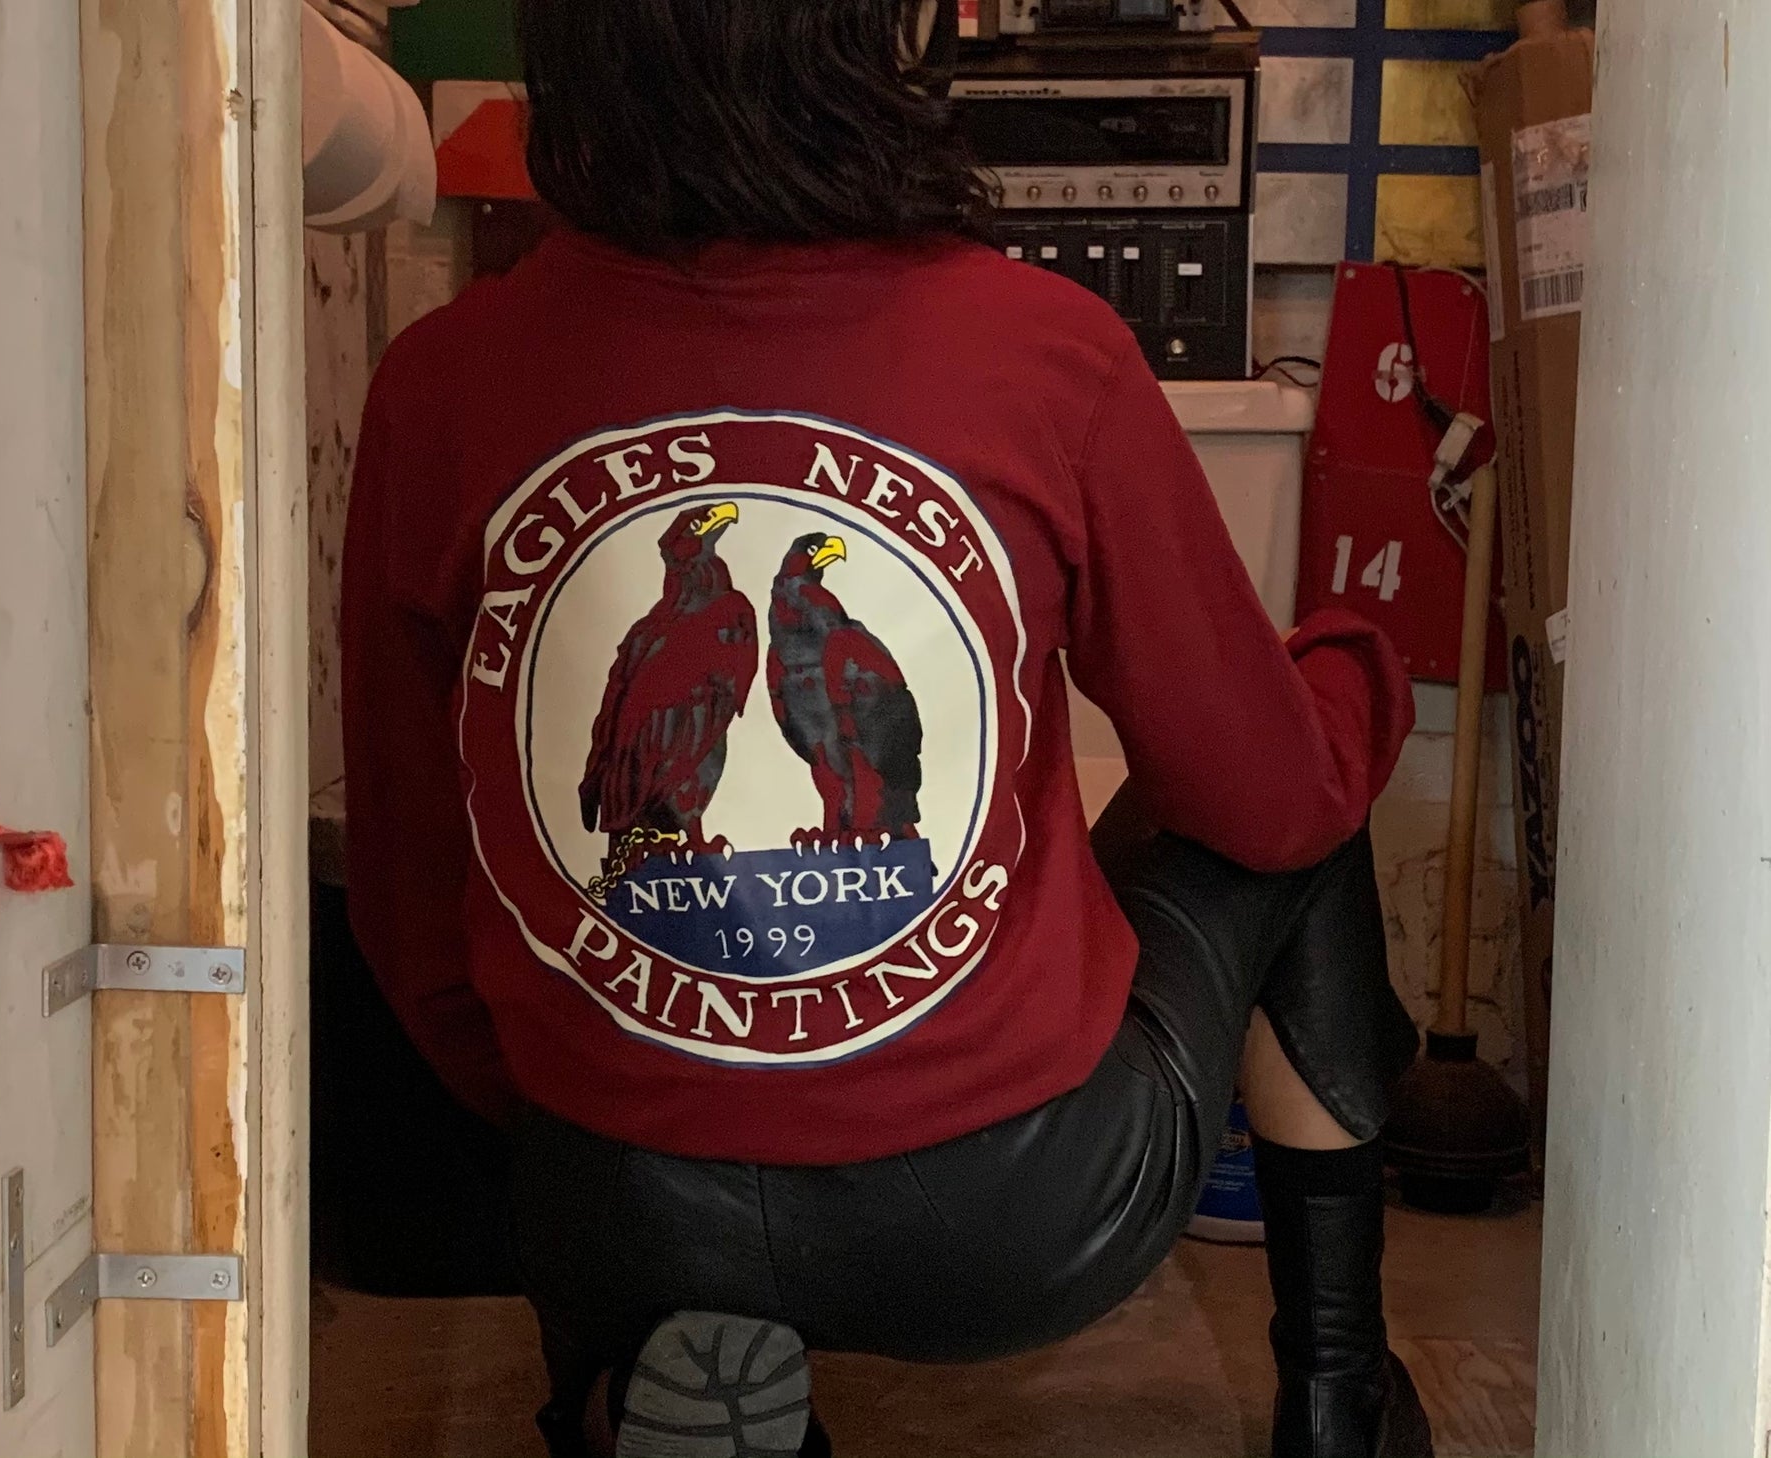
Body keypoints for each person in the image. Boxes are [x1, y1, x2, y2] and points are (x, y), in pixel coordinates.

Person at [341, 2, 1427, 1454]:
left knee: (642, 1257)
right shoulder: (1046, 349)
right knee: (1309, 772)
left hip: (615, 1186)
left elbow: (412, 890)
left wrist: (592, 1114)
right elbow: (1269, 801)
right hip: (1006, 1212)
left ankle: (637, 1365)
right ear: (884, 37)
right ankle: (1342, 1397)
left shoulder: (439, 378)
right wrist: (1351, 673)